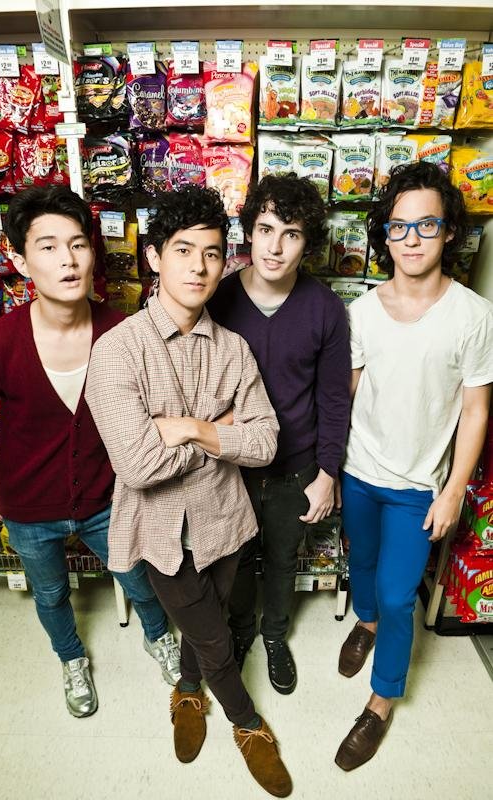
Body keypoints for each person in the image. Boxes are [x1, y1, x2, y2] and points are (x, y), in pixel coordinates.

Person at [85, 186, 292, 798]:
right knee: (212, 637)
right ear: (154, 257)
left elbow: (266, 442)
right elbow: (138, 465)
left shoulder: (234, 349)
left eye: (211, 253)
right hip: (158, 528)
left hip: (226, 518)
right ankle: (248, 724)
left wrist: (189, 429)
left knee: (217, 620)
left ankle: (186, 690)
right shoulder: (116, 351)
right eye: (182, 250)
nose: (199, 267)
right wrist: (222, 434)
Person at [0, 186, 181, 719]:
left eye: (78, 244)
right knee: (51, 594)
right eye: (49, 246)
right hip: (29, 507)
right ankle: (71, 659)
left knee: (140, 580)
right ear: (20, 261)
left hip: (109, 499)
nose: (68, 259)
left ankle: (160, 638)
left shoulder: (121, 331)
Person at [335, 161, 493, 770]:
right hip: (359, 470)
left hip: (418, 486)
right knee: (363, 565)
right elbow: (346, 396)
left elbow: (476, 411)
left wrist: (453, 490)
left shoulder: (473, 316)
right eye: (398, 226)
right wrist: (329, 467)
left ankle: (381, 701)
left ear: (449, 231)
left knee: (400, 596)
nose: (412, 239)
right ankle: (366, 624)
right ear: (385, 234)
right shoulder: (361, 311)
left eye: (427, 225)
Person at [207, 173, 351, 694]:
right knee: (238, 556)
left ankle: (274, 635)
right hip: (234, 464)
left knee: (284, 558)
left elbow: (334, 397)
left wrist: (327, 473)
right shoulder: (219, 298)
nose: (274, 247)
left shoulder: (324, 307)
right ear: (248, 231)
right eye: (265, 229)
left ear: (307, 243)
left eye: (291, 234)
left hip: (297, 466)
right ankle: (242, 629)